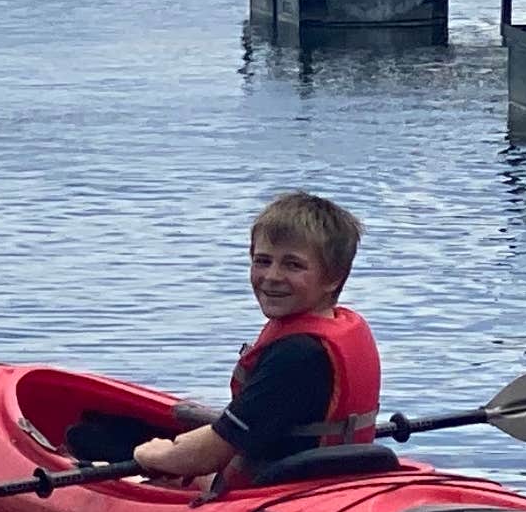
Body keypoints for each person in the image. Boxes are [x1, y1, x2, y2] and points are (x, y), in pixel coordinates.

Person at [72, 191, 383, 487]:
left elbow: (208, 454)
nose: (272, 276)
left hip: (275, 491)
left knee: (87, 439)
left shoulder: (298, 353)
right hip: (320, 479)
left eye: (293, 264)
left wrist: (146, 454)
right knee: (94, 432)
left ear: (333, 278)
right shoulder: (338, 326)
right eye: (263, 261)